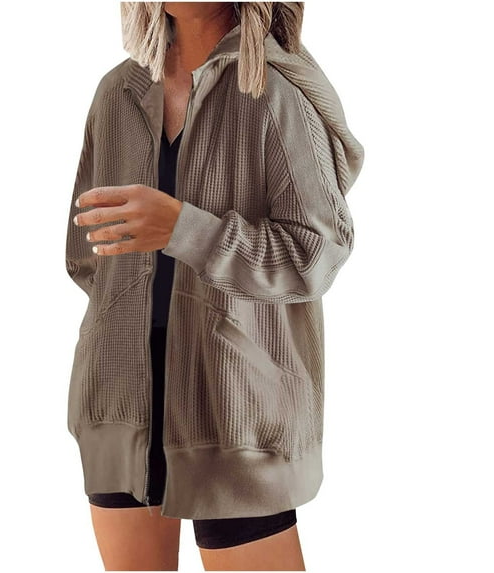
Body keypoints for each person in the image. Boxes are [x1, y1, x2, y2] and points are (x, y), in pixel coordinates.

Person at [64, 2, 364, 570]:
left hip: (237, 408)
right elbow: (85, 255)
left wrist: (185, 230)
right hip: (119, 397)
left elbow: (317, 251)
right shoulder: (117, 94)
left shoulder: (274, 90)